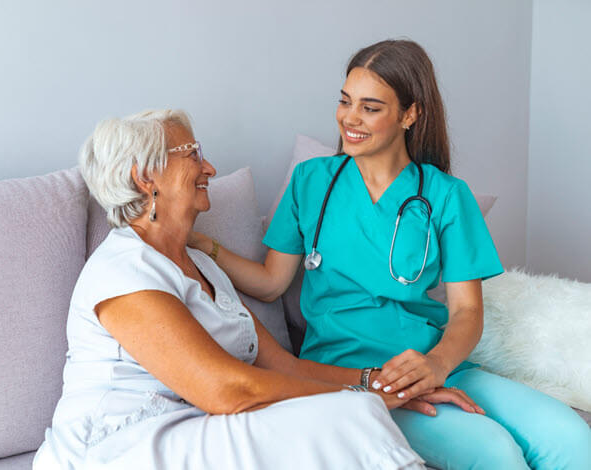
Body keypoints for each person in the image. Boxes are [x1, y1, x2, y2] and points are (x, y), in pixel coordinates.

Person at [189, 40, 590, 469]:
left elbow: (467, 312)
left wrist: (436, 365)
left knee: (572, 438)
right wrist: (201, 246)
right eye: (345, 102)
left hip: (432, 361)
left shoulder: (446, 195)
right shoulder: (312, 181)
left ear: (410, 114)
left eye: (370, 107)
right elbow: (270, 283)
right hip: (350, 374)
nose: (350, 119)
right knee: (493, 453)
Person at [32, 109, 479, 469]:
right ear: (146, 177)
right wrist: (368, 396)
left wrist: (382, 384)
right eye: (192, 153)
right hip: (119, 449)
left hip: (196, 428)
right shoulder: (123, 270)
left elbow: (284, 365)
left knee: (354, 413)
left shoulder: (202, 265)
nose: (209, 167)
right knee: (354, 414)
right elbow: (226, 391)